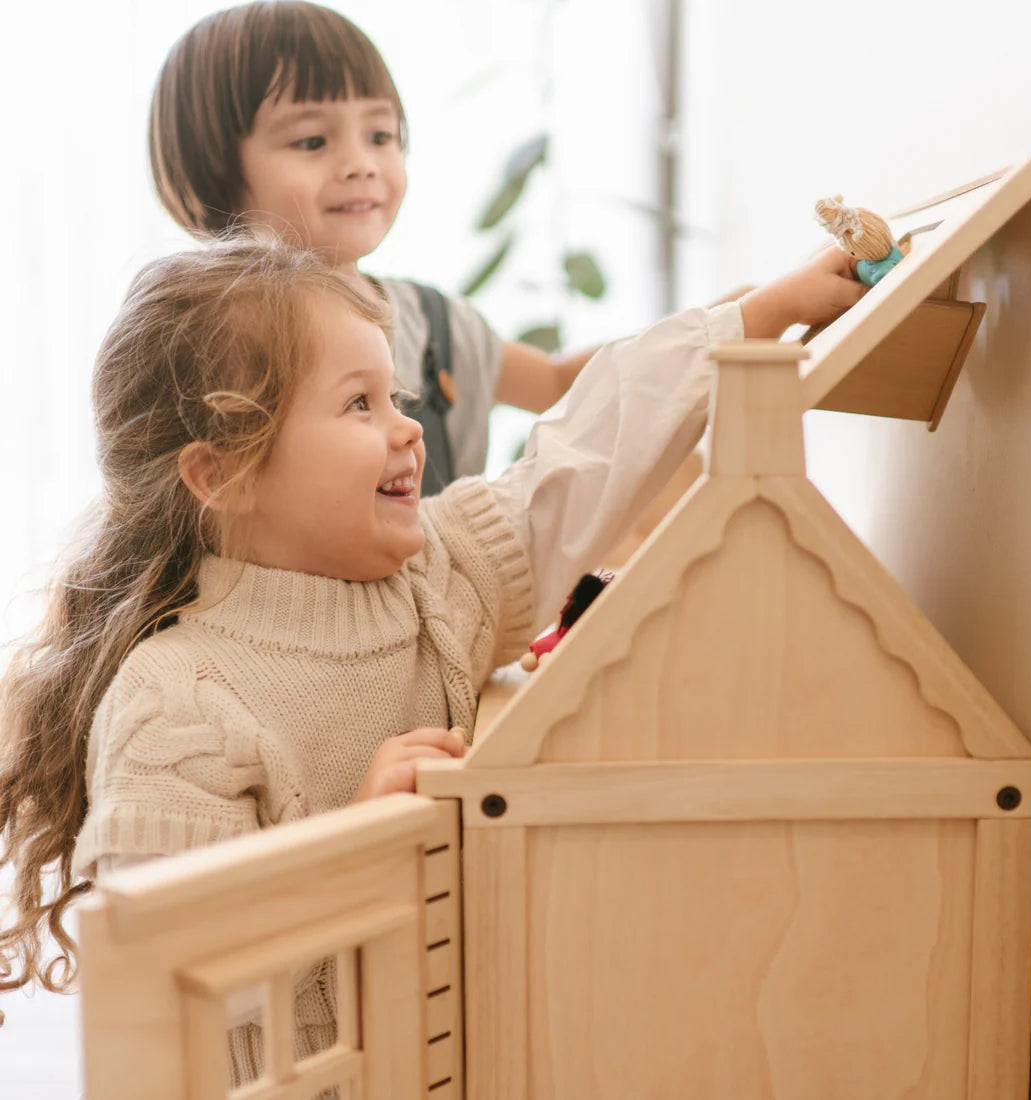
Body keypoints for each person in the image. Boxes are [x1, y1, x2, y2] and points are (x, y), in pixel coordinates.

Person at [0, 235, 860, 1077]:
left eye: (396, 395)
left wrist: (757, 317)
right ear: (221, 475)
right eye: (358, 405)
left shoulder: (439, 576)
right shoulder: (175, 702)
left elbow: (585, 453)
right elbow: (174, 1002)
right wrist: (357, 848)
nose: (409, 430)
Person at [148, 0, 813, 492]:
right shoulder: (205, 342)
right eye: (313, 141)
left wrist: (720, 325)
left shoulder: (433, 323)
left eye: (380, 135)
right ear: (212, 171)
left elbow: (554, 381)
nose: (361, 163)